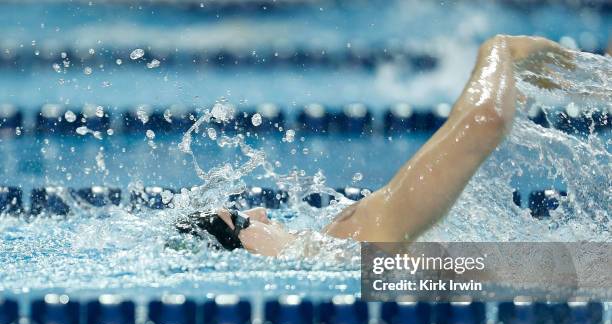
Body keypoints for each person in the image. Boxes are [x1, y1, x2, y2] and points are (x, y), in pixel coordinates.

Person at [177, 35, 575, 257]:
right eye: (242, 222)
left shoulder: (347, 259)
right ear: (244, 256)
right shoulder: (348, 240)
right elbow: (485, 121)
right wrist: (502, 53)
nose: (260, 210)